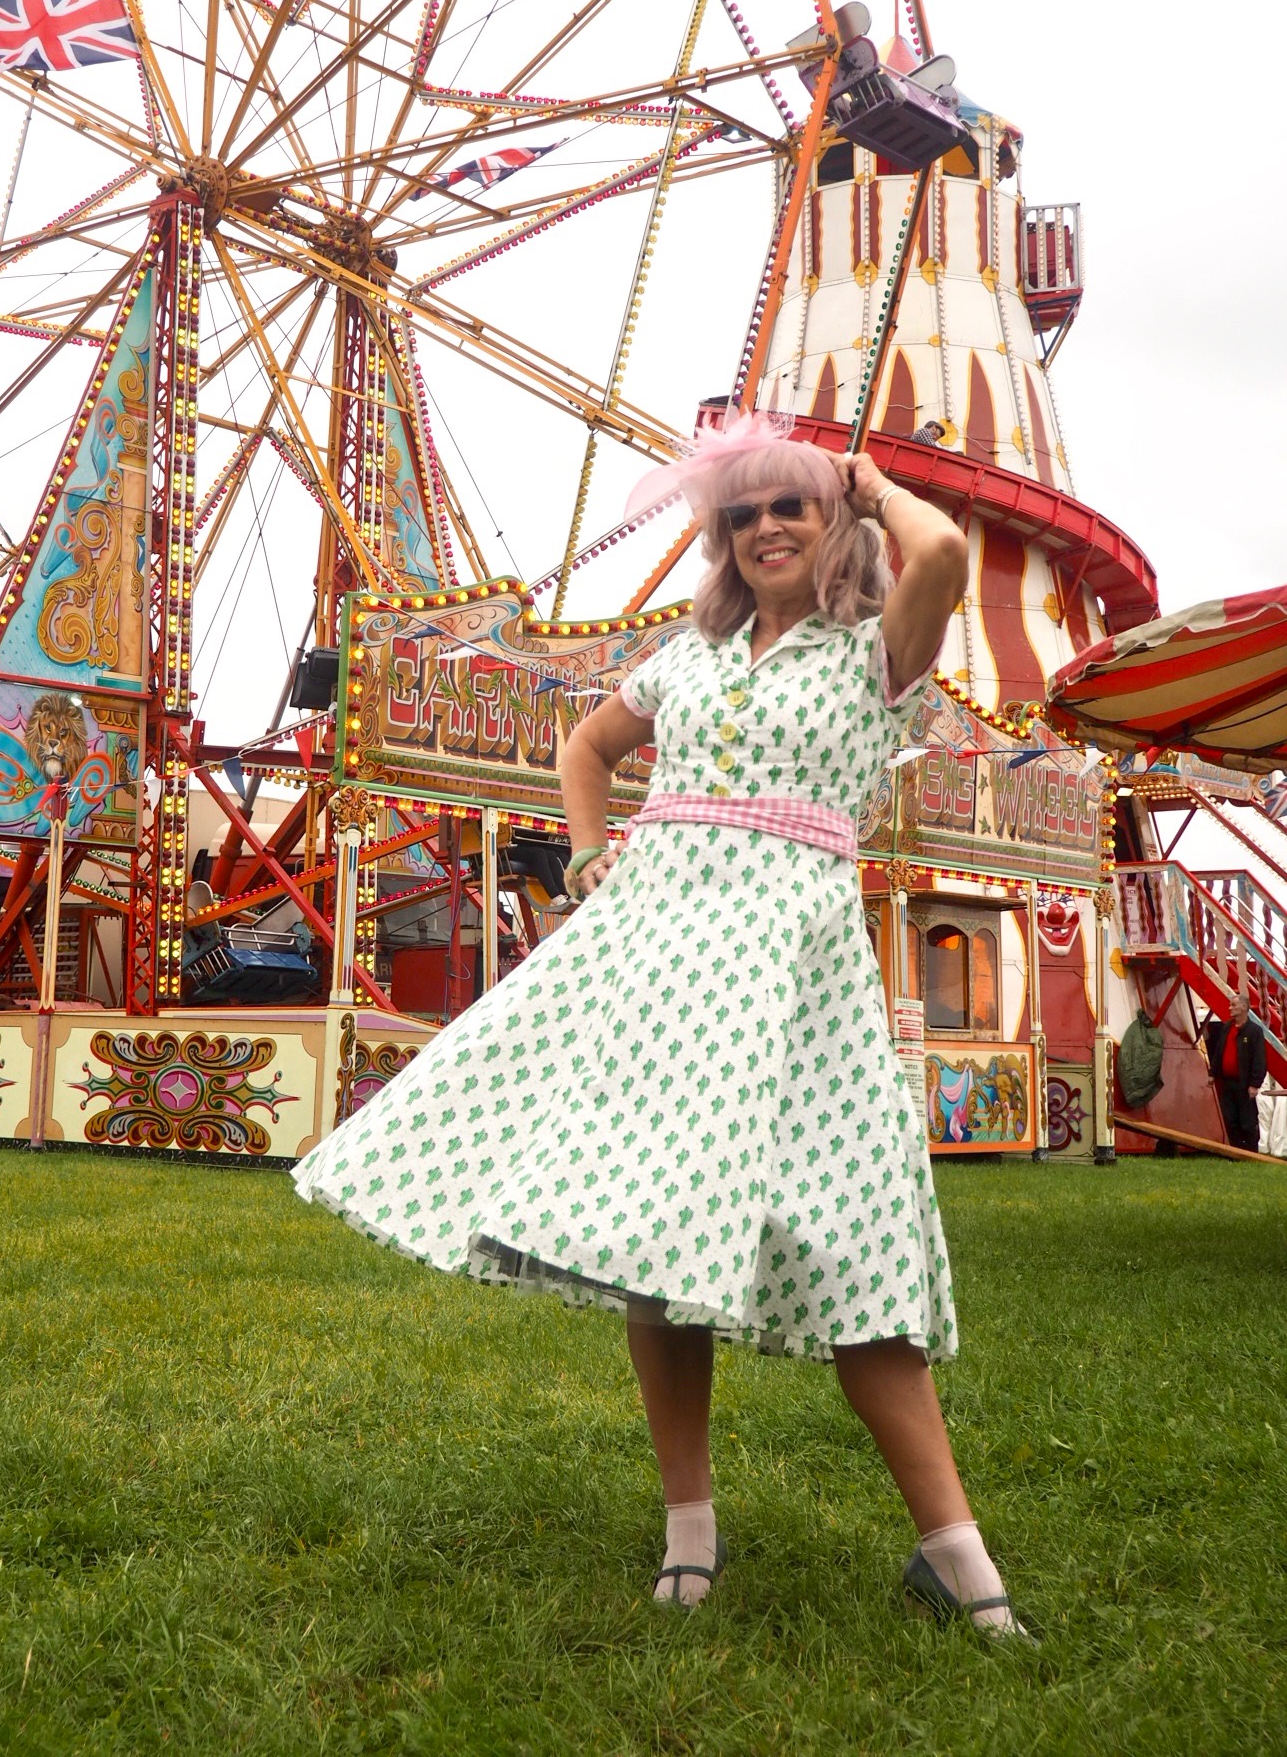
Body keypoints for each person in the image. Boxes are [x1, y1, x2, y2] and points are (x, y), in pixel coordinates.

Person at [293, 412, 1028, 1635]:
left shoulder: (873, 654)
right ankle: (690, 1521)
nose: (766, 530)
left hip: (792, 974)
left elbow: (945, 552)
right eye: (741, 516)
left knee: (857, 1241)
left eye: (789, 508)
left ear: (835, 521)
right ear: (720, 541)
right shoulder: (685, 661)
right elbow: (588, 746)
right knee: (653, 1234)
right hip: (654, 962)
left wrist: (864, 477)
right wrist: (587, 854)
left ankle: (953, 1550)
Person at [1205, 990, 1266, 1152]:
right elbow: (1219, 1051)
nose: (1230, 1008)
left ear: (1244, 1007)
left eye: (1233, 1005)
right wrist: (1213, 1073)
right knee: (1230, 1119)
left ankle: (1252, 1152)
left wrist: (1254, 1084)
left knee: (1247, 1120)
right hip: (1227, 1082)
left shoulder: (1254, 1031)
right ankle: (1236, 1150)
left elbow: (1259, 1059)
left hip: (1244, 1084)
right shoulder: (1227, 1028)